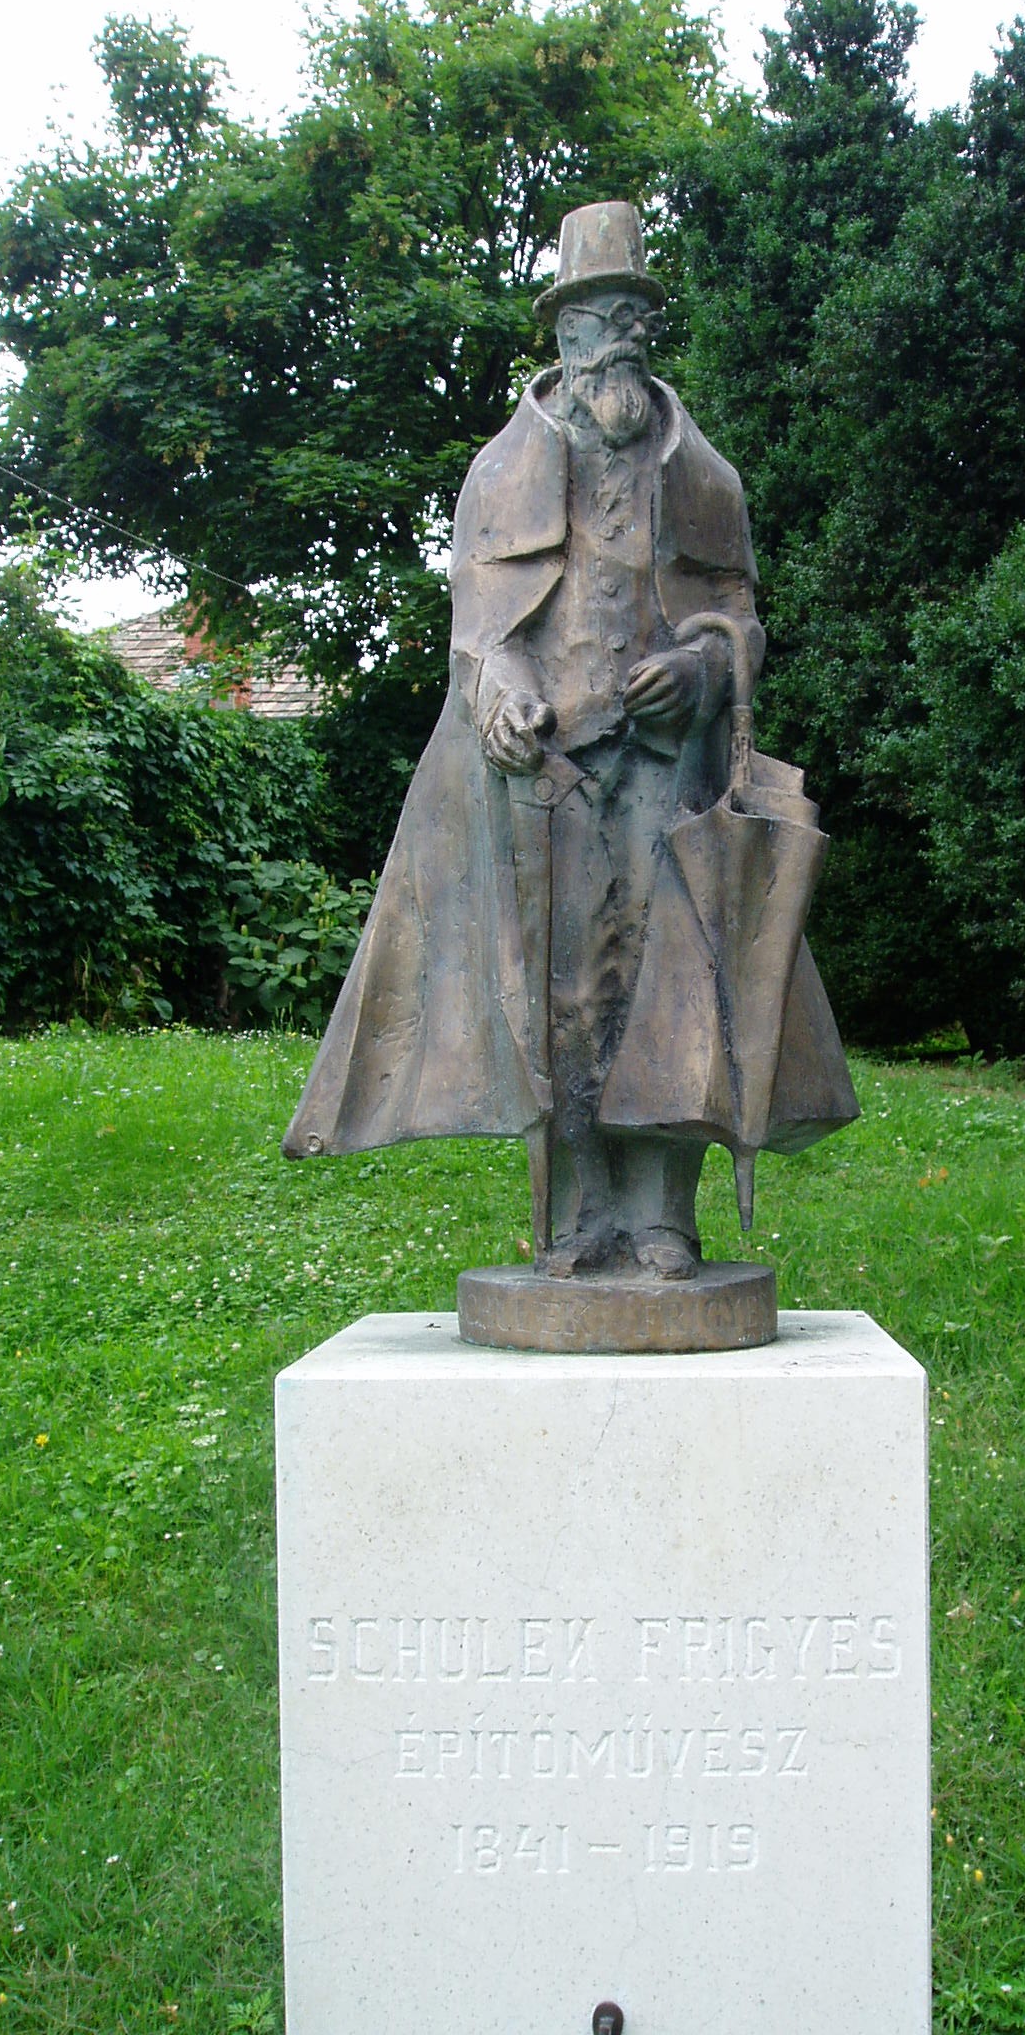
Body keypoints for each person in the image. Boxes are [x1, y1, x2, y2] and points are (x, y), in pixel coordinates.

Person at [285, 202, 855, 1280]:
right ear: (563, 334)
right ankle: (579, 1212)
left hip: (671, 777)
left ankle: (663, 1215)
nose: (619, 340)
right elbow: (478, 634)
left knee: (675, 989)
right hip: (551, 777)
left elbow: (740, 621)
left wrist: (703, 670)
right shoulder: (498, 476)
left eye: (635, 317)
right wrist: (499, 692)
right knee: (562, 997)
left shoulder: (706, 477)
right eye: (597, 320)